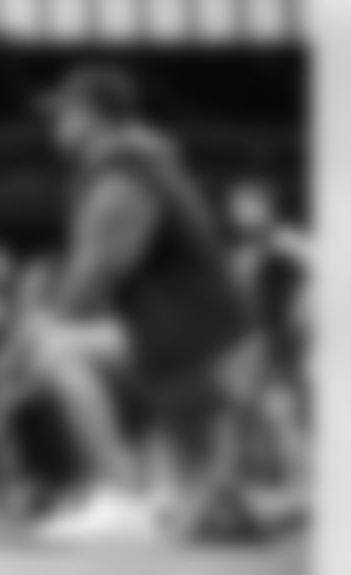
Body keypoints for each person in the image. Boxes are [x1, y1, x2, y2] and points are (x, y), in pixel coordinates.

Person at [23, 64, 256, 543]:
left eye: (63, 113)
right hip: (205, 335)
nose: (56, 125)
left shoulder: (126, 166)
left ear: (92, 116)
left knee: (55, 352)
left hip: (199, 342)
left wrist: (47, 324)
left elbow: (105, 264)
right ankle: (176, 499)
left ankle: (120, 497)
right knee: (193, 515)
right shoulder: (142, 161)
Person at [226, 180, 311, 522]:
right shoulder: (241, 256)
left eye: (250, 204)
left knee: (284, 416)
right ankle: (238, 491)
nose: (243, 213)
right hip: (249, 347)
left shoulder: (291, 246)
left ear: (268, 206)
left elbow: (317, 279)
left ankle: (304, 488)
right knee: (236, 417)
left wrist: (303, 317)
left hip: (281, 345)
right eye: (237, 207)